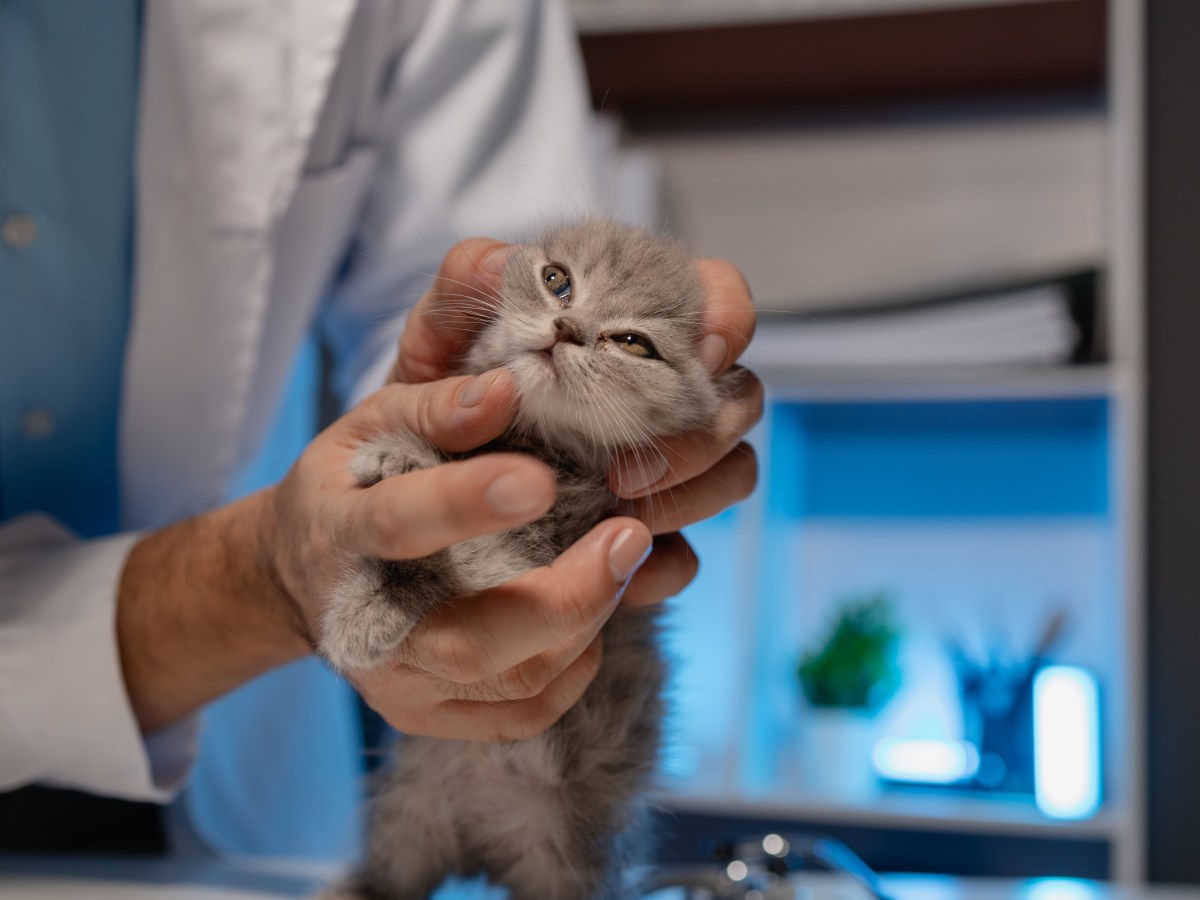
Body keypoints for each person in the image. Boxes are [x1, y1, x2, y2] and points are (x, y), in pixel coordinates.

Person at [0, 0, 760, 856]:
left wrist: (434, 482)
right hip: (231, 621)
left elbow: (474, 280)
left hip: (229, 744)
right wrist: (267, 576)